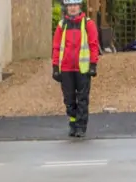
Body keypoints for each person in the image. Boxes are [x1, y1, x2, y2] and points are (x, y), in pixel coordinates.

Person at [52, 0, 99, 137]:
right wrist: (55, 66)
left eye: (75, 5)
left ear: (80, 6)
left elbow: (93, 45)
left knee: (83, 98)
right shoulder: (62, 25)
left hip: (82, 68)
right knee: (69, 99)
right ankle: (73, 122)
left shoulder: (88, 24)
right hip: (66, 68)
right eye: (70, 5)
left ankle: (81, 126)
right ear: (66, 7)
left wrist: (93, 64)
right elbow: (56, 47)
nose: (72, 8)